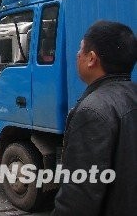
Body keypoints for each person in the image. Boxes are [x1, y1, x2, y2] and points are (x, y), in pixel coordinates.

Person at [52, 20, 137, 215]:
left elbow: (78, 197)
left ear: (91, 59)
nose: (77, 54)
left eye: (81, 49)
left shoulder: (93, 111)